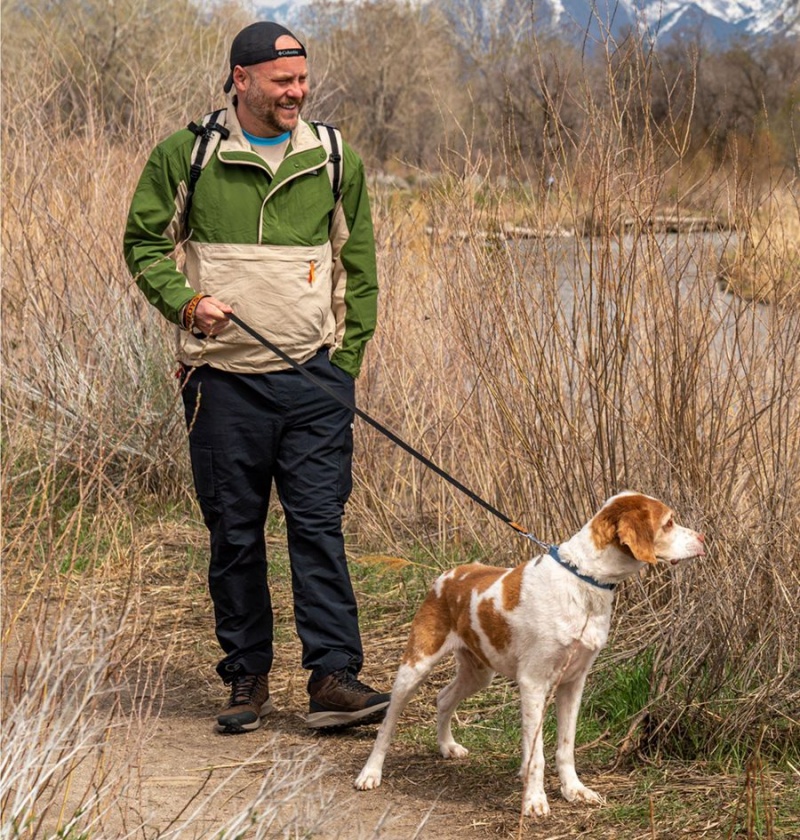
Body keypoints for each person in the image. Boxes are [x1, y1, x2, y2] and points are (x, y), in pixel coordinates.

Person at [124, 21, 389, 734]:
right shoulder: (189, 155)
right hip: (223, 384)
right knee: (234, 535)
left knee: (317, 528)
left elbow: (357, 270)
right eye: (282, 82)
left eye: (302, 80)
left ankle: (333, 678)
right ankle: (246, 680)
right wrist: (186, 301)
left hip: (313, 384)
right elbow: (144, 244)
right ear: (241, 79)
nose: (296, 92)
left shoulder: (334, 158)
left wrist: (345, 365)